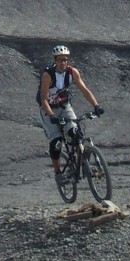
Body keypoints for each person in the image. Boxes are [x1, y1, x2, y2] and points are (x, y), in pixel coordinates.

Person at [38, 45, 104, 184]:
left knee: (76, 133)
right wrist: (51, 115)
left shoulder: (72, 72)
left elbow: (84, 89)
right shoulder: (48, 75)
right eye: (60, 60)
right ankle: (58, 173)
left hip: (64, 106)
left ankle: (80, 163)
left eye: (65, 60)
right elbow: (44, 99)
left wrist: (96, 105)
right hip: (48, 109)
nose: (63, 62)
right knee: (56, 142)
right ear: (55, 60)